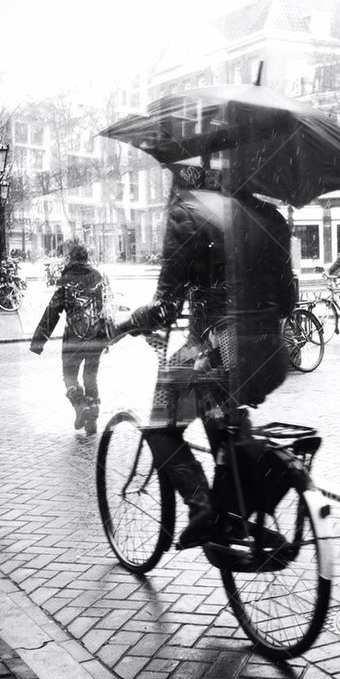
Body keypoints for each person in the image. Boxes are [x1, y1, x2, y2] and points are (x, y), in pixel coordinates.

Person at [117, 165, 294, 549]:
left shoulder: (190, 215)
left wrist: (122, 324)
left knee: (161, 426)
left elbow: (164, 309)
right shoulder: (274, 219)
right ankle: (234, 508)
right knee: (218, 411)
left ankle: (202, 509)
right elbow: (289, 300)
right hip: (268, 354)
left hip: (214, 352)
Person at [30, 243, 114, 435]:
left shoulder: (66, 280)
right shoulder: (99, 276)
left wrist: (38, 341)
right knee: (90, 376)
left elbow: (53, 311)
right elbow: (108, 307)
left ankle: (80, 406)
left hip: (73, 339)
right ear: (86, 258)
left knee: (69, 376)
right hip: (96, 338)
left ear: (71, 259)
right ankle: (92, 417)